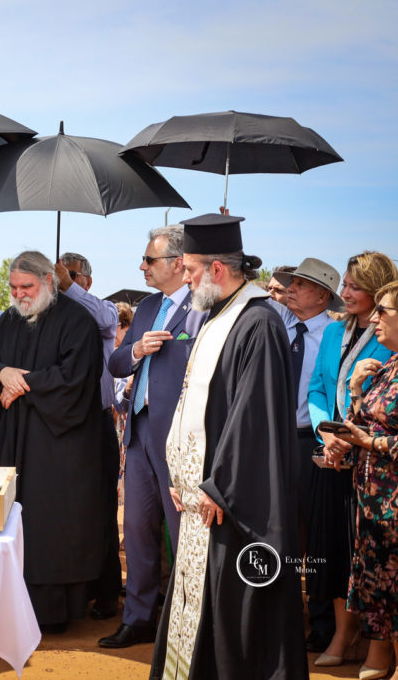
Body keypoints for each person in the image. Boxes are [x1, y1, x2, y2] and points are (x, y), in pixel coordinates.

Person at [150, 214, 307, 679]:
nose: (188, 279)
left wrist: (220, 487)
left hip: (230, 505)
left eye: (192, 271)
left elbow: (254, 419)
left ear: (217, 268)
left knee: (233, 619)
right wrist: (181, 476)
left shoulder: (257, 322)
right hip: (199, 493)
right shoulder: (221, 315)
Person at [0, 250, 104, 632]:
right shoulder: (10, 319)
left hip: (59, 447)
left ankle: (51, 614)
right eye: (13, 287)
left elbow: (76, 378)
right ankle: (11, 604)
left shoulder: (78, 320)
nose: (18, 294)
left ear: (49, 280)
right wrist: (3, 374)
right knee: (16, 519)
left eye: (27, 286)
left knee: (53, 527)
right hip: (16, 440)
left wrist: (23, 384)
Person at [101, 226, 205, 648]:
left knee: (185, 533)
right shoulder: (146, 307)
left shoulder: (204, 308)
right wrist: (136, 349)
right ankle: (139, 618)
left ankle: (191, 622)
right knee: (139, 529)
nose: (142, 267)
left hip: (180, 440)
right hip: (139, 434)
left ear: (179, 264)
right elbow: (116, 363)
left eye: (150, 260)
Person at [310, 253, 397, 670]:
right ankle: (344, 637)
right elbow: (316, 390)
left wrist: (350, 438)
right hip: (334, 456)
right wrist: (326, 433)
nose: (344, 293)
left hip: (374, 468)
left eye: (354, 286)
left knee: (366, 560)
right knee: (334, 551)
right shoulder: (332, 332)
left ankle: (363, 641)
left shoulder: (388, 337)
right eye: (343, 284)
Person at [270, 256, 342, 652]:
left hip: (312, 443)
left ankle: (323, 624)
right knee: (275, 530)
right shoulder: (273, 326)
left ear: (322, 294)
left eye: (300, 283)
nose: (290, 288)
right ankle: (279, 617)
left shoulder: (335, 336)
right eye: (290, 282)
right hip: (272, 442)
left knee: (315, 535)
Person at [331, 281, 398, 679]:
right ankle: (381, 656)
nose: (373, 318)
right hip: (372, 503)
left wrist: (369, 441)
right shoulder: (388, 365)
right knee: (381, 590)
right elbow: (362, 425)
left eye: (384, 311)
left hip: (393, 503)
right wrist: (356, 390)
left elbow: (373, 436)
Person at [56, 251, 122, 621]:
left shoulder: (103, 308)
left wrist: (68, 287)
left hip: (96, 422)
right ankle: (70, 590)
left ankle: (106, 590)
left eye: (73, 274)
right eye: (60, 273)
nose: (64, 279)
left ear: (87, 281)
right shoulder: (51, 312)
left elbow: (105, 320)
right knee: (65, 509)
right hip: (60, 425)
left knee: (99, 508)